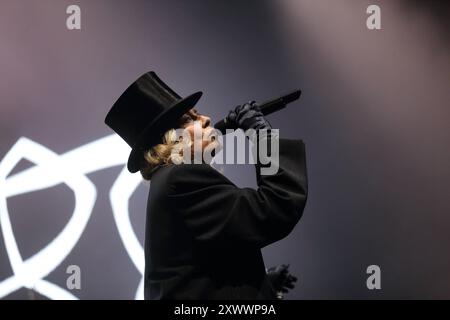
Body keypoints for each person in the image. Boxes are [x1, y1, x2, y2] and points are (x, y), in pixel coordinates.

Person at [105, 71, 308, 299]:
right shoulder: (180, 177)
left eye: (198, 114)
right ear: (170, 138)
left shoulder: (172, 179)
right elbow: (274, 208)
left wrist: (261, 284)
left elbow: (198, 268)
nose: (206, 119)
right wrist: (264, 138)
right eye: (191, 118)